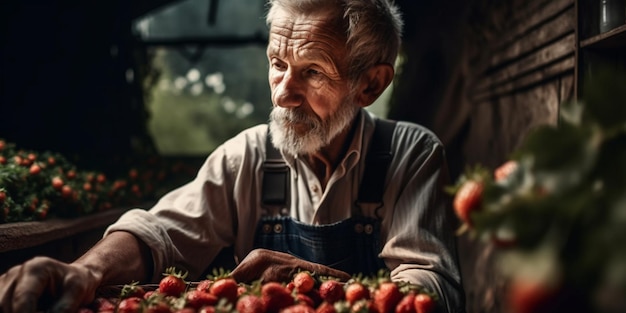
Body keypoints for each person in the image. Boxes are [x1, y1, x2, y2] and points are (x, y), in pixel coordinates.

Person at [0, 0, 466, 312]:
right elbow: (161, 232)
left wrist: (309, 277)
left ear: (372, 84)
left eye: (312, 71)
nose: (284, 94)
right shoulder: (249, 156)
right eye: (277, 64)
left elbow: (434, 292)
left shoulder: (410, 154)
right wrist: (84, 270)